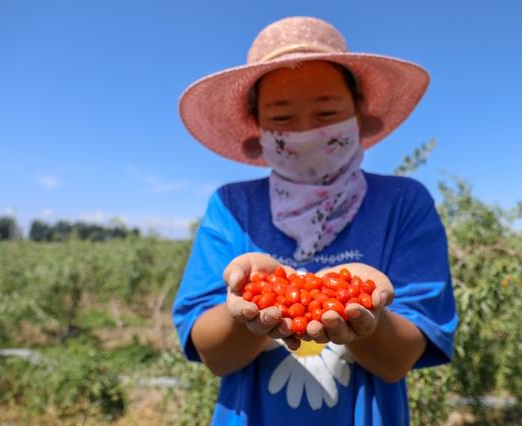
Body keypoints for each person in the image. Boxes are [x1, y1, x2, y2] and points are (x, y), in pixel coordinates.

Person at [172, 16, 458, 426]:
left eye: (326, 112)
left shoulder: (403, 203)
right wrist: (243, 312)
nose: (305, 132)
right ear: (259, 127)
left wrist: (365, 318)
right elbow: (215, 354)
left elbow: (399, 359)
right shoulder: (231, 207)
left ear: (358, 113)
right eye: (283, 119)